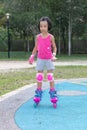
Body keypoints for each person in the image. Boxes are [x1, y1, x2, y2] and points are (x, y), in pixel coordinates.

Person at [29, 16, 58, 106]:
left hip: (49, 59)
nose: (43, 28)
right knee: (39, 77)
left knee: (50, 77)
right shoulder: (38, 37)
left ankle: (53, 96)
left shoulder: (51, 37)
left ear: (48, 26)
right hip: (40, 59)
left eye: (45, 26)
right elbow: (36, 47)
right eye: (41, 26)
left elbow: (55, 47)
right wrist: (32, 56)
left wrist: (53, 55)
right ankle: (38, 95)